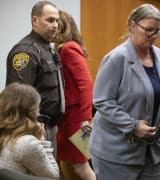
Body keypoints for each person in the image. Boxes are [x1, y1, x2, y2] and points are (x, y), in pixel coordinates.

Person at [88, 3, 160, 180]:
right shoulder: (116, 58)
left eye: (158, 31)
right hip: (116, 153)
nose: (154, 35)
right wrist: (132, 125)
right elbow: (102, 101)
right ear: (133, 26)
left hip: (153, 153)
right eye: (149, 30)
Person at [5, 1, 64, 154]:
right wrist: (33, 128)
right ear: (35, 21)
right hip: (33, 130)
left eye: (57, 21)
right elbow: (19, 99)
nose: (56, 25)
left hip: (49, 127)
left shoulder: (45, 48)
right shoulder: (27, 52)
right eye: (50, 20)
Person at [54, 10, 95, 180]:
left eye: (56, 23)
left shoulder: (69, 48)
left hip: (77, 120)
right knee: (61, 164)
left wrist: (86, 117)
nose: (53, 26)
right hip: (67, 118)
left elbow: (85, 85)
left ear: (62, 26)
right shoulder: (61, 49)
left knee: (80, 166)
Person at [0, 83, 59, 179]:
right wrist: (42, 140)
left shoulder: (3, 135)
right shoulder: (28, 143)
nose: (39, 113)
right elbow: (53, 176)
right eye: (37, 108)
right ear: (30, 111)